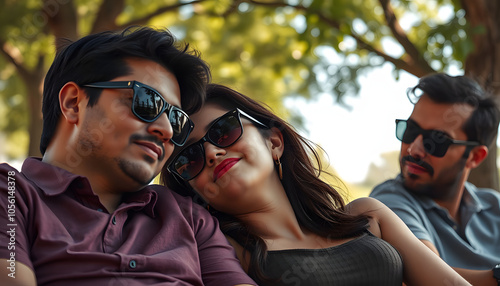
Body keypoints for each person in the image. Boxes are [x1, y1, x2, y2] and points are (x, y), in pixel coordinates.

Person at [0, 27, 256, 286]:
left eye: (177, 120)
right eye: (147, 102)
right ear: (73, 103)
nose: (166, 130)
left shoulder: (189, 218)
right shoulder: (10, 195)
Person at [160, 83, 471, 285]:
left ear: (275, 142)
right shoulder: (225, 255)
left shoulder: (368, 215)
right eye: (191, 158)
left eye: (223, 132)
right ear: (195, 190)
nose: (212, 152)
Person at [370, 73, 500, 285]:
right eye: (411, 130)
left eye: (437, 140)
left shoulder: (495, 206)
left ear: (475, 157)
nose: (414, 149)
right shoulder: (389, 201)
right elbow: (428, 276)